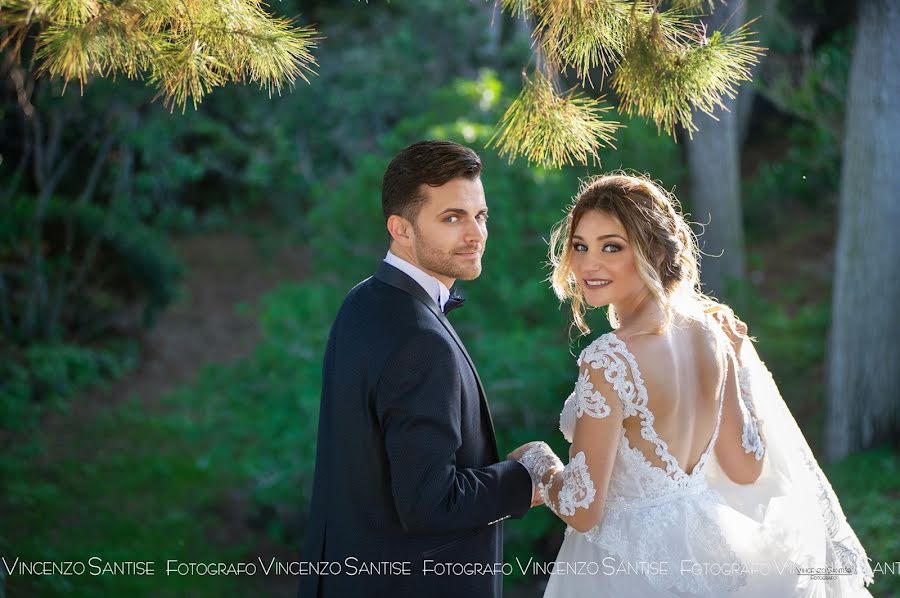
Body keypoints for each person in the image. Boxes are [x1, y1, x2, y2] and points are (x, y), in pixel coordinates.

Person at [510, 173, 874, 597]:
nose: (589, 263)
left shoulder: (608, 359)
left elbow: (583, 507)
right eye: (580, 246)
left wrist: (539, 462)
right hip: (713, 552)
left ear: (656, 251)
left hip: (624, 569)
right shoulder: (713, 335)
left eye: (612, 246)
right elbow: (745, 466)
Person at [298, 140, 536, 598]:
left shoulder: (362, 301)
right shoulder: (421, 340)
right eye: (452, 218)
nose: (475, 234)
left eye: (480, 216)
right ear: (400, 229)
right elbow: (430, 503)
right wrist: (525, 479)